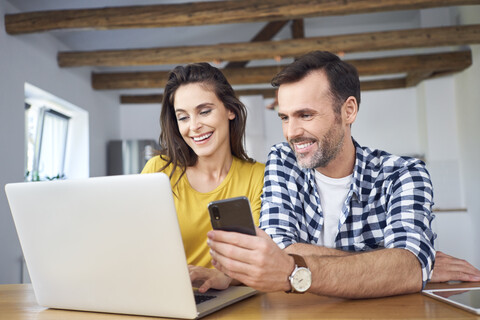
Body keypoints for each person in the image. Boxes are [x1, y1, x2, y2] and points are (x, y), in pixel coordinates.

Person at [207, 51, 480, 298]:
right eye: (285, 117)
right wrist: (390, 264)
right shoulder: (283, 160)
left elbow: (409, 267)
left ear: (348, 110)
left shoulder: (404, 174)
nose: (291, 132)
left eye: (305, 115)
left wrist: (291, 267)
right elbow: (278, 247)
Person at [141, 63, 265, 293]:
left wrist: (226, 276)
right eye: (183, 117)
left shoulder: (259, 177)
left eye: (204, 111)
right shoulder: (159, 172)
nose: (194, 126)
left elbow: (264, 258)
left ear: (230, 110)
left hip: (236, 302)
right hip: (170, 297)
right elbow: (138, 248)